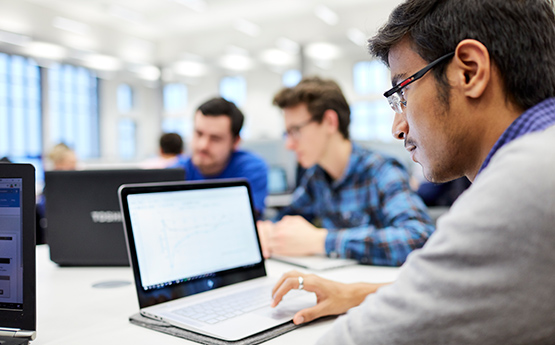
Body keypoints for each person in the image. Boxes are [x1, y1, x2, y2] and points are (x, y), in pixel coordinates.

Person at [271, 0, 555, 343]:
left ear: (469, 70)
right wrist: (363, 292)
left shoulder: (524, 182)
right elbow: (456, 289)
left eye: (402, 93)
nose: (397, 127)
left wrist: (323, 241)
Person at [257, 76, 434, 266]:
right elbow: (285, 219)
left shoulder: (381, 171)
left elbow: (419, 238)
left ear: (329, 122)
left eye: (295, 131)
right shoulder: (317, 178)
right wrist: (268, 230)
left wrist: (322, 241)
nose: (289, 145)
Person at [173, 97, 268, 217]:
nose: (203, 145)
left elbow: (244, 220)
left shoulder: (250, 168)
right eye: (199, 134)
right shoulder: (177, 171)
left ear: (235, 142)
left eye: (215, 138)